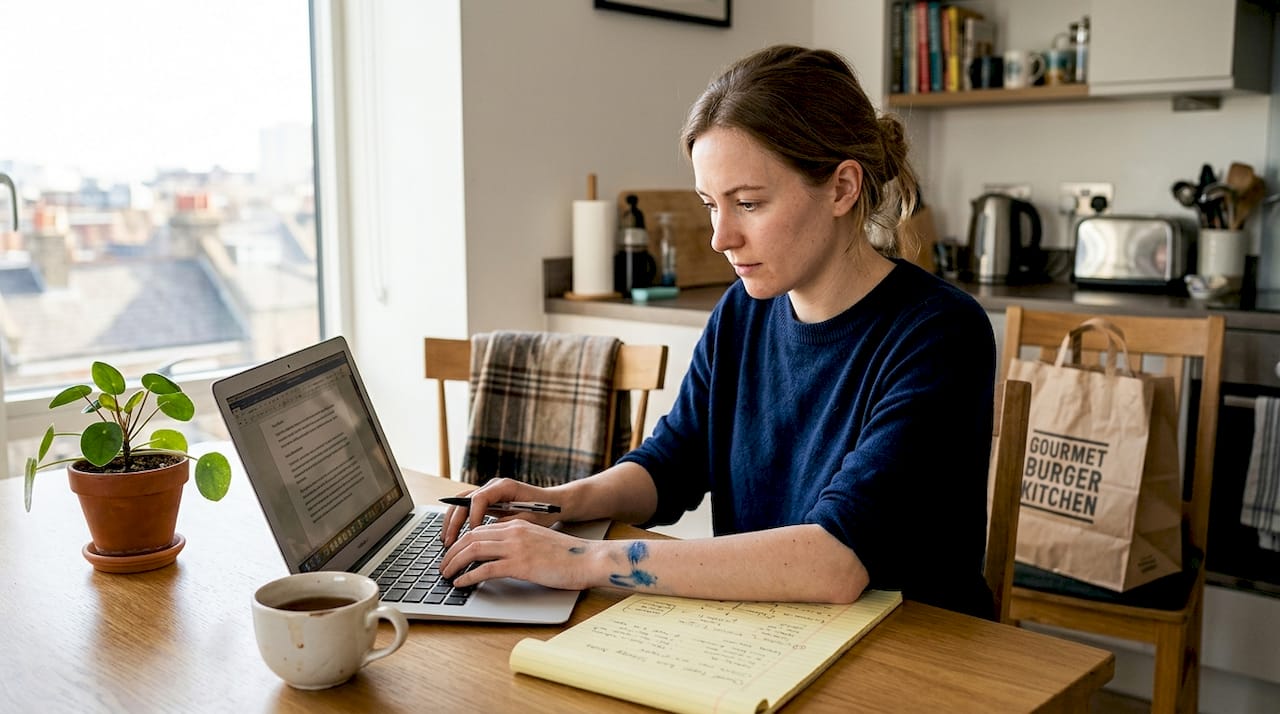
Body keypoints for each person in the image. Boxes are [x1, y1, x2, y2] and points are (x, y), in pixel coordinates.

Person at [441, 45, 997, 619]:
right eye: (711, 204)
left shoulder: (940, 333)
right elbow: (672, 464)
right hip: (776, 630)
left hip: (916, 652)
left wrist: (581, 558)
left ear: (841, 188)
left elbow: (836, 560)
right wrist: (554, 504)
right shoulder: (743, 311)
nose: (720, 237)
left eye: (749, 203)